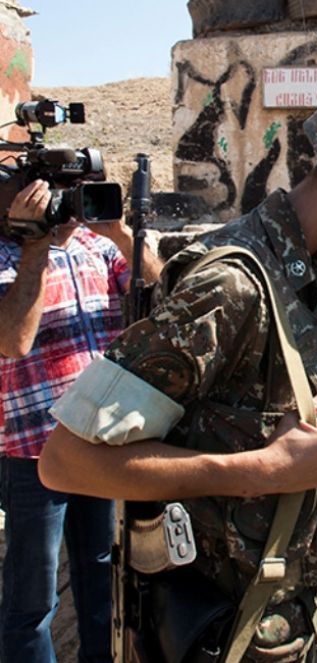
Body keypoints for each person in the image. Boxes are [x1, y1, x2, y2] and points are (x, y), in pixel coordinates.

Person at [36, 78, 317, 662]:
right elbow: (67, 461)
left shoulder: (308, 269)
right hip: (215, 630)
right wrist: (257, 469)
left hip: (272, 620)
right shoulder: (232, 286)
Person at [0, 178, 163, 663]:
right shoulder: (9, 255)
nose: (66, 206)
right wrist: (34, 248)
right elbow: (13, 340)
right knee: (33, 599)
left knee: (103, 581)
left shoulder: (98, 247)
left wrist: (121, 233)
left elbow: (160, 288)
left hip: (99, 439)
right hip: (33, 450)